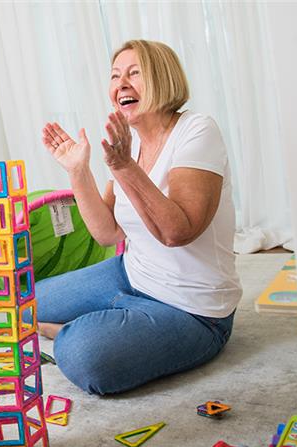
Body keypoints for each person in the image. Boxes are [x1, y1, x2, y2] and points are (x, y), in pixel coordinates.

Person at [37, 40, 241, 395]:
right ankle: (111, 317)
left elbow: (177, 232)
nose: (121, 83)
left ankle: (79, 327)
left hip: (193, 309)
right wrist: (78, 170)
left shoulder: (196, 131)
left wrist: (123, 165)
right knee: (27, 302)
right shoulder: (128, 143)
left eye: (134, 73)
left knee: (82, 355)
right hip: (132, 275)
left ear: (163, 79)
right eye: (116, 75)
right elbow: (106, 233)